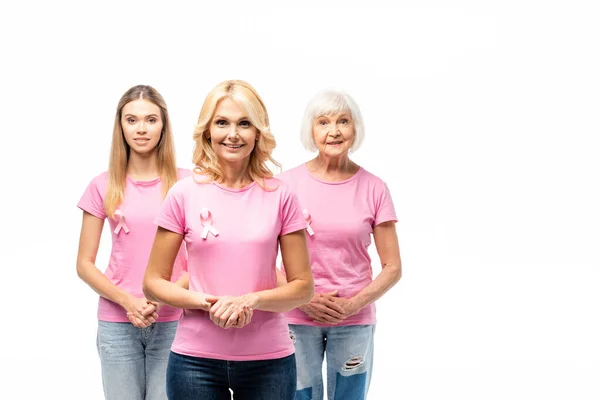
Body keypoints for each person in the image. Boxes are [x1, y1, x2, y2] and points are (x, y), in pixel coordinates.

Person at [143, 80, 314, 400]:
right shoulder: (183, 194)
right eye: (222, 122)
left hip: (270, 362)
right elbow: (153, 282)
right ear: (207, 131)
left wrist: (250, 301)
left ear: (258, 132)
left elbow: (303, 287)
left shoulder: (281, 196)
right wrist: (208, 303)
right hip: (195, 362)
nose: (233, 133)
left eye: (244, 123)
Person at [277, 89, 402, 400]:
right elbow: (261, 258)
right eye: (323, 122)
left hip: (354, 319)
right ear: (311, 130)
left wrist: (351, 305)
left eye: (343, 121)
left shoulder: (374, 188)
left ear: (354, 129)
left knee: (349, 396)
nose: (334, 131)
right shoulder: (286, 185)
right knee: (297, 395)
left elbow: (393, 267)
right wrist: (303, 299)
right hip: (295, 315)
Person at [76, 85, 190, 400]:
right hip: (117, 321)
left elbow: (203, 259)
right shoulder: (102, 185)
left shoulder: (187, 184)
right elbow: (84, 264)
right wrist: (129, 302)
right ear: (121, 126)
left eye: (151, 120)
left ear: (163, 126)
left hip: (175, 320)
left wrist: (162, 297)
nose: (141, 128)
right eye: (132, 120)